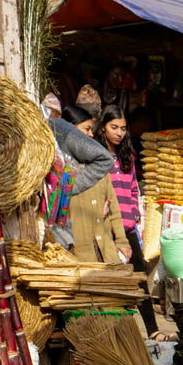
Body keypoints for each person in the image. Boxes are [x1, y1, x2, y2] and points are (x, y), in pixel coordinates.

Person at [95, 105, 159, 335]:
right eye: (114, 127)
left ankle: (152, 329)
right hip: (106, 228)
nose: (119, 133)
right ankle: (114, 334)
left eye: (123, 128)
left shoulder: (127, 157)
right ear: (103, 127)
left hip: (128, 228)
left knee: (139, 278)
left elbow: (133, 189)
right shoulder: (96, 156)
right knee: (111, 281)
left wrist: (133, 213)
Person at [58, 105, 129, 264]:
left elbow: (114, 210)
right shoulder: (60, 173)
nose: (90, 134)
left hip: (105, 251)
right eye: (87, 129)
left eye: (91, 129)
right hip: (77, 256)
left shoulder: (98, 168)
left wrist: (122, 242)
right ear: (69, 130)